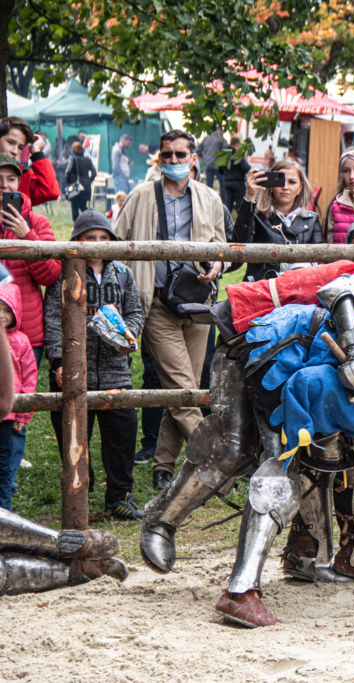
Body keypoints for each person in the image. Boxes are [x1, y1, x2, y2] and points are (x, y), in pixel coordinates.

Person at [140, 261, 354, 627]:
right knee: (247, 456)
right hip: (260, 345)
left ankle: (342, 553)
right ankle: (223, 576)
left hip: (314, 357)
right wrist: (292, 445)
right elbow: (306, 384)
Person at [113, 129, 226, 491]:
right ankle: (221, 462)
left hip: (198, 303)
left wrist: (218, 265)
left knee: (186, 389)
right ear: (159, 159)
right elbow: (116, 241)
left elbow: (221, 246)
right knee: (181, 389)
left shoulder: (210, 198)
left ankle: (163, 465)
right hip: (157, 301)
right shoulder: (141, 196)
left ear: (193, 158)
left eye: (181, 155)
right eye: (168, 155)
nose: (174, 161)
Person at [44, 210, 145, 520]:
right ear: (77, 241)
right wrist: (60, 361)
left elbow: (136, 314)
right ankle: (79, 494)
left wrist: (125, 335)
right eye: (90, 239)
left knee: (122, 434)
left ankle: (118, 496)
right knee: (73, 434)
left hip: (116, 368)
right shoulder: (63, 275)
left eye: (104, 239)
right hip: (74, 371)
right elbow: (52, 319)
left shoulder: (124, 275)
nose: (97, 245)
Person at [0, 153, 60, 364]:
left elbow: (52, 274)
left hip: (27, 333)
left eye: (11, 179)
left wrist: (27, 236)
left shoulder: (37, 222)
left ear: (18, 183)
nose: (4, 185)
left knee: (26, 394)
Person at [233, 158, 323, 281]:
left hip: (299, 289)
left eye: (292, 182)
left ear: (300, 188)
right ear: (270, 186)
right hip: (261, 288)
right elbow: (239, 246)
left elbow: (321, 261)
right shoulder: (256, 216)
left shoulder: (311, 220)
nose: (285, 187)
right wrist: (250, 197)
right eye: (280, 181)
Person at [0, 284, 34, 510]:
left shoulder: (21, 341)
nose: (1, 316)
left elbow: (30, 378)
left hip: (11, 418)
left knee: (7, 466)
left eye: (6, 310)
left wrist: (24, 414)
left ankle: (4, 514)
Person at [0, 117, 59, 208]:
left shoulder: (24, 176)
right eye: (11, 142)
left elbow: (50, 192)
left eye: (20, 147)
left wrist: (37, 153)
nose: (15, 151)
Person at [65, 141, 97, 221]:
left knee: (75, 206)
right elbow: (94, 173)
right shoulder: (88, 160)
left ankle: (77, 224)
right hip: (86, 186)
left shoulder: (73, 159)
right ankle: (90, 219)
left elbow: (67, 172)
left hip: (76, 186)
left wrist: (68, 182)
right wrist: (89, 180)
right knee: (83, 205)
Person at [218, 137, 250, 213]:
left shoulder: (223, 155)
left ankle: (225, 222)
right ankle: (240, 223)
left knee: (228, 205)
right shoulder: (237, 155)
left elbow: (220, 170)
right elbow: (246, 168)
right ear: (237, 144)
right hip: (238, 183)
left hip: (227, 182)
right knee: (239, 205)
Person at [196, 129, 229, 193]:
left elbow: (198, 150)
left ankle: (209, 201)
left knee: (209, 186)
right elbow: (227, 150)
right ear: (218, 130)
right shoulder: (221, 139)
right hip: (219, 166)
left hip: (208, 165)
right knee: (223, 185)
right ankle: (222, 201)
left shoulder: (206, 139)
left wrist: (204, 159)